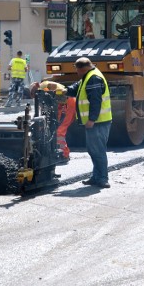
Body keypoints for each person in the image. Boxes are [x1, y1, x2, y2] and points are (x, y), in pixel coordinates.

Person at [39, 57, 112, 188]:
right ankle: (96, 177)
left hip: (99, 122)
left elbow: (96, 101)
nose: (77, 74)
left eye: (78, 71)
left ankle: (102, 178)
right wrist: (62, 90)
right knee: (93, 150)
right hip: (97, 121)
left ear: (82, 69)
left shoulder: (93, 78)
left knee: (98, 150)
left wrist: (91, 119)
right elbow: (75, 88)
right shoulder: (88, 76)